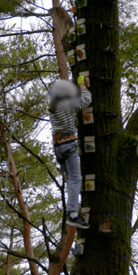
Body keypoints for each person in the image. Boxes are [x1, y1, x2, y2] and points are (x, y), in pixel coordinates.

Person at [49, 76, 91, 229]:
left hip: (58, 147)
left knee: (71, 181)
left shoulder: (53, 107)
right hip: (68, 145)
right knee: (74, 179)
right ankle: (73, 214)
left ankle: (73, 208)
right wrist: (82, 85)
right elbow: (86, 100)